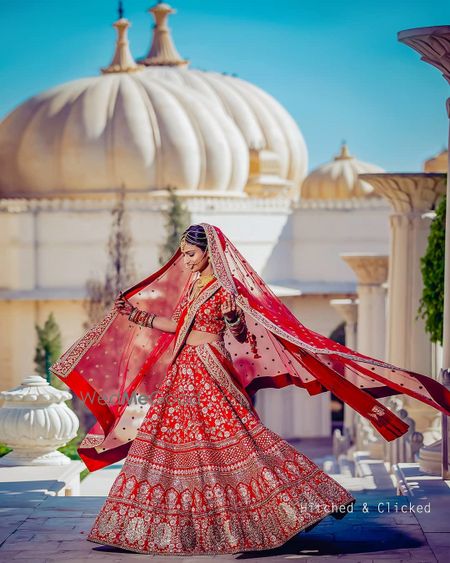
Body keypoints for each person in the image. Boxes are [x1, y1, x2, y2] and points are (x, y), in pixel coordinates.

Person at [51, 222, 450, 556]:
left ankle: (306, 502)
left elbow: (238, 331)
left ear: (210, 251)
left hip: (210, 372)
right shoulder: (192, 285)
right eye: (184, 254)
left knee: (240, 444)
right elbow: (181, 328)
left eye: (191, 253)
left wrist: (233, 319)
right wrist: (139, 317)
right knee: (168, 447)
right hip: (183, 372)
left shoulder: (226, 289)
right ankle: (157, 527)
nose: (185, 260)